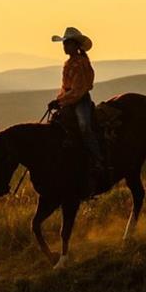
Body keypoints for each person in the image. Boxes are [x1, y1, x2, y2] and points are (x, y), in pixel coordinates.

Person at [47, 26, 104, 181]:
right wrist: (58, 100)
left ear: (75, 45)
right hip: (68, 100)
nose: (64, 47)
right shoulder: (68, 64)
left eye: (67, 44)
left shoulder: (81, 63)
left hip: (81, 100)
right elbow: (65, 87)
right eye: (64, 44)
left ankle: (98, 159)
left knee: (84, 125)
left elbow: (78, 90)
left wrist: (60, 101)